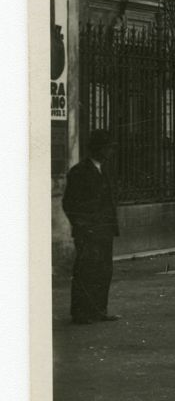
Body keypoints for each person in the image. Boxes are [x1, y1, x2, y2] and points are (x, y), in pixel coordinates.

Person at [63, 129, 119, 325]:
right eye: (108, 148)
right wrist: (82, 226)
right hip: (88, 231)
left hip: (104, 230)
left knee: (103, 271)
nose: (110, 152)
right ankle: (81, 313)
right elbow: (70, 204)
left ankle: (99, 310)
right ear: (98, 149)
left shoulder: (104, 170)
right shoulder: (79, 172)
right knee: (86, 271)